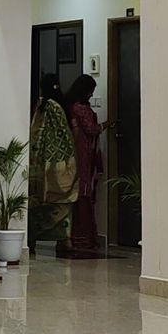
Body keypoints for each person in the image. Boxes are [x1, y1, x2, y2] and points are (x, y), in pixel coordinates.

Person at [28, 75, 78, 254]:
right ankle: (64, 240)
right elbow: (66, 133)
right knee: (63, 199)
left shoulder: (44, 106)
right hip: (61, 160)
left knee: (41, 200)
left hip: (43, 162)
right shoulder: (57, 105)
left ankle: (32, 238)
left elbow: (36, 132)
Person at [63, 74, 105, 258]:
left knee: (79, 193)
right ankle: (84, 237)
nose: (91, 95)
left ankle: (73, 236)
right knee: (84, 192)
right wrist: (106, 125)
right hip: (83, 153)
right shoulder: (80, 109)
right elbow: (91, 129)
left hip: (76, 153)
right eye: (90, 91)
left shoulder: (70, 106)